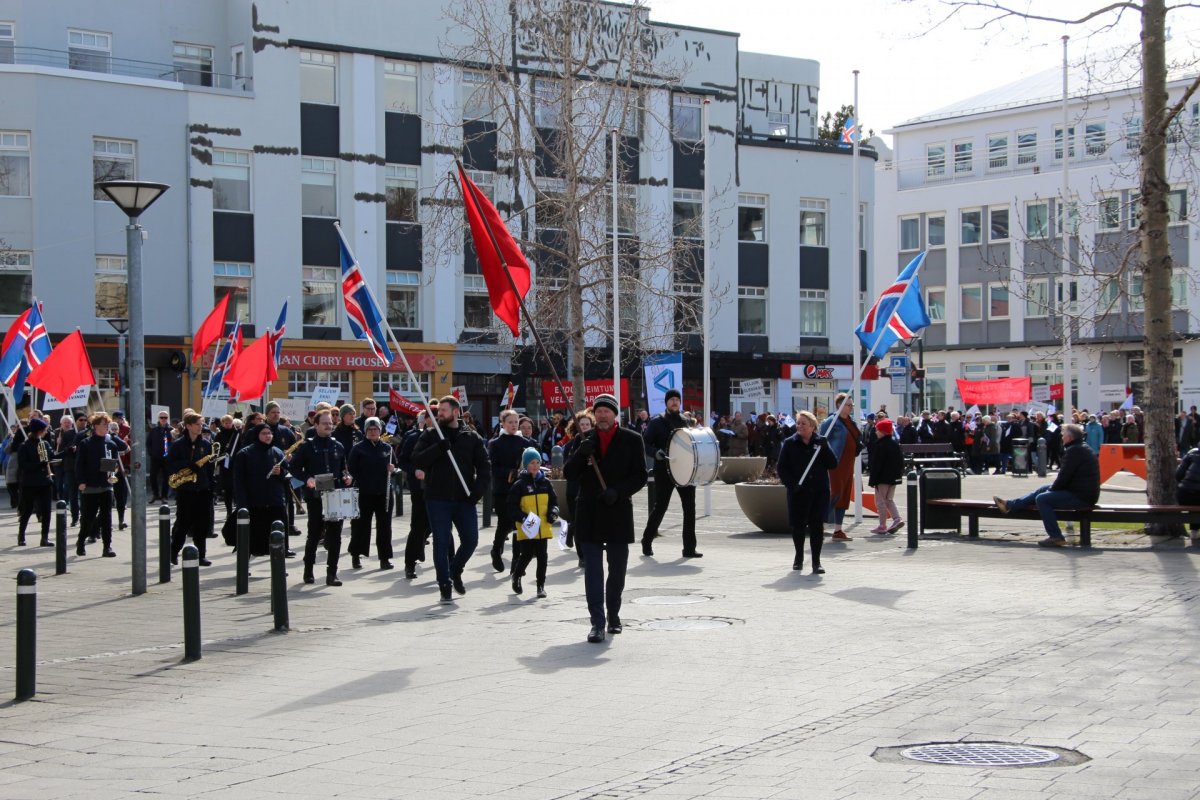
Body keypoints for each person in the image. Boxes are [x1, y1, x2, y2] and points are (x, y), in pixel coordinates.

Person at [564, 393, 647, 643]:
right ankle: (597, 623)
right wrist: (581, 453)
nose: (602, 415)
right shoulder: (584, 438)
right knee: (593, 571)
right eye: (598, 411)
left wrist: (618, 492)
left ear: (614, 414)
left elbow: (640, 475)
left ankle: (614, 614)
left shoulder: (632, 440)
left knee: (618, 569)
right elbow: (569, 473)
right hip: (589, 512)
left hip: (617, 511)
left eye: (607, 411)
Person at [412, 394, 490, 603]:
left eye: (444, 411)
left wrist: (477, 491)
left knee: (471, 540)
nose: (440, 414)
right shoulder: (430, 434)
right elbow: (417, 459)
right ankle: (444, 583)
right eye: (438, 412)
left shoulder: (471, 436)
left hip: (464, 499)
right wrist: (438, 448)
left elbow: (484, 467)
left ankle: (454, 570)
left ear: (456, 412)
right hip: (437, 498)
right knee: (441, 540)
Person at [994, 423, 1100, 547]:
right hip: (1082, 492)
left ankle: (1056, 536)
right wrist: (1051, 489)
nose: (1061, 437)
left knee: (1042, 499)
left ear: (1070, 438)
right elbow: (1066, 478)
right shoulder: (1081, 447)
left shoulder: (1074, 451)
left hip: (1082, 496)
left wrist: (1052, 490)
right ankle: (1010, 505)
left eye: (1063, 435)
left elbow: (1063, 478)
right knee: (1043, 489)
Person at [290, 410, 353, 586]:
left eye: (330, 423)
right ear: (315, 425)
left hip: (335, 496)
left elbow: (343, 469)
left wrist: (347, 477)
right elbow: (294, 468)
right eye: (324, 423)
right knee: (314, 534)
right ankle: (308, 570)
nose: (328, 425)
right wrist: (307, 478)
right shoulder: (307, 446)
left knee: (335, 535)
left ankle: (332, 573)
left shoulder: (337, 446)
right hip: (316, 496)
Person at [641, 388, 700, 558]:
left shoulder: (686, 422)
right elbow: (645, 444)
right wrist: (656, 453)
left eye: (677, 399)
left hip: (686, 471)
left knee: (690, 509)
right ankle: (647, 540)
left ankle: (689, 548)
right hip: (664, 470)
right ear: (666, 402)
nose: (675, 402)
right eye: (671, 399)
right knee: (661, 507)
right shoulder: (656, 422)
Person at [777, 410, 838, 574]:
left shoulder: (820, 443)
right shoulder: (790, 443)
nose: (800, 426)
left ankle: (816, 562)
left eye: (804, 423)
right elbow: (781, 467)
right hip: (799, 492)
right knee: (798, 526)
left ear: (812, 426)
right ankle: (798, 557)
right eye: (798, 423)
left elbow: (833, 464)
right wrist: (791, 484)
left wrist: (826, 448)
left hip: (819, 491)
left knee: (817, 526)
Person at [487, 408, 536, 573]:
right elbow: (493, 468)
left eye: (516, 422)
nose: (514, 425)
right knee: (504, 523)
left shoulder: (526, 443)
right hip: (503, 490)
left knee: (518, 525)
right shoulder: (495, 443)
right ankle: (496, 550)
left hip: (521, 490)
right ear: (503, 424)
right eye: (510, 422)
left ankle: (516, 561)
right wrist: (510, 472)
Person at [507, 447, 559, 598]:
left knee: (543, 556)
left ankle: (540, 586)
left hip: (543, 525)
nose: (535, 465)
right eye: (531, 463)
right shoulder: (519, 485)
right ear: (525, 465)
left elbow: (554, 502)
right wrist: (523, 518)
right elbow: (511, 506)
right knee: (527, 554)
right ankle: (516, 575)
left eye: (537, 462)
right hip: (527, 525)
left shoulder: (546, 483)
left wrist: (553, 512)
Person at [74, 412, 127, 558]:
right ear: (96, 426)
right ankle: (80, 541)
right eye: (104, 424)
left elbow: (120, 453)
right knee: (88, 518)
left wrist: (113, 470)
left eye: (108, 424)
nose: (107, 427)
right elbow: (79, 464)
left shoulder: (111, 443)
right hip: (90, 485)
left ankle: (107, 546)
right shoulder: (86, 443)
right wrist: (81, 481)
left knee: (107, 517)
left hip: (106, 485)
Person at [231, 423, 289, 557]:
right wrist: (242, 504)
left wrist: (280, 472)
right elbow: (239, 481)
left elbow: (287, 475)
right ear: (257, 435)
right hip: (255, 502)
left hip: (275, 501)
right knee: (252, 539)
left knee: (278, 536)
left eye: (269, 433)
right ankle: (244, 567)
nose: (268, 436)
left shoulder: (277, 452)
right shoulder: (245, 453)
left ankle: (278, 568)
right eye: (264, 433)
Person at [166, 412, 216, 566]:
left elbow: (209, 468)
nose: (201, 427)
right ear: (188, 426)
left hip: (203, 489)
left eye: (201, 424)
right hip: (186, 490)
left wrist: (210, 486)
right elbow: (170, 464)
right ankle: (173, 551)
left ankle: (201, 555)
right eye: (198, 424)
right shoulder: (178, 445)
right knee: (183, 523)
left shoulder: (206, 445)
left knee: (202, 524)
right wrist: (187, 465)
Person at [347, 416, 395, 571]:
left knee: (384, 527)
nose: (373, 432)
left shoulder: (387, 448)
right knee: (361, 525)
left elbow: (395, 466)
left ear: (380, 431)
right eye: (370, 430)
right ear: (366, 431)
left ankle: (385, 558)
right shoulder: (358, 448)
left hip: (384, 493)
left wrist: (393, 469)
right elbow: (352, 469)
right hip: (364, 493)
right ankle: (356, 555)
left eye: (376, 430)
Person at [399, 406, 436, 579]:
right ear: (425, 419)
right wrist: (415, 471)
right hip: (419, 488)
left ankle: (449, 566)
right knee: (418, 526)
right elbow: (403, 461)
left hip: (441, 489)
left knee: (440, 527)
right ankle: (410, 563)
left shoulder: (447, 437)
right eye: (432, 417)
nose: (436, 420)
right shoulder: (413, 437)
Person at [817, 393, 860, 541]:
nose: (851, 407)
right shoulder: (831, 422)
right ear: (840, 406)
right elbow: (821, 441)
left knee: (844, 495)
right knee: (834, 493)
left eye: (852, 405)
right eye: (849, 405)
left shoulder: (850, 421)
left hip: (848, 463)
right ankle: (819, 524)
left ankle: (838, 530)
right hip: (835, 463)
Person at [17, 418, 54, 547]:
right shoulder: (24, 446)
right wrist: (39, 465)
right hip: (30, 483)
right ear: (38, 431)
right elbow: (23, 465)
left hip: (45, 482)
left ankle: (44, 538)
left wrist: (67, 451)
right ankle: (21, 535)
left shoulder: (45, 444)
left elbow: (52, 456)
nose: (45, 432)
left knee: (46, 510)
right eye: (44, 430)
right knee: (27, 510)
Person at [867, 418, 904, 534]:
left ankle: (882, 525)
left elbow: (876, 465)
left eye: (878, 430)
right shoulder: (894, 444)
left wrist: (872, 480)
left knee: (880, 501)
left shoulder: (880, 446)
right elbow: (900, 462)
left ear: (882, 432)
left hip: (882, 478)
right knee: (889, 500)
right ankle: (897, 519)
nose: (876, 432)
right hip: (893, 478)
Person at [147, 410, 173, 502]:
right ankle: (155, 494)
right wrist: (151, 453)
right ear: (158, 419)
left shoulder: (171, 430)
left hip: (167, 458)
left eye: (165, 417)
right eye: (161, 417)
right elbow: (148, 443)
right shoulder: (154, 430)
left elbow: (174, 443)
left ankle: (164, 496)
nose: (163, 419)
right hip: (155, 458)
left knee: (166, 477)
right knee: (153, 476)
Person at [1175, 445, 1200, 536]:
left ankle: (1194, 532)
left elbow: (1178, 475)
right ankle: (1194, 531)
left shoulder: (1192, 453)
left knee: (1194, 500)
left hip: (1184, 494)